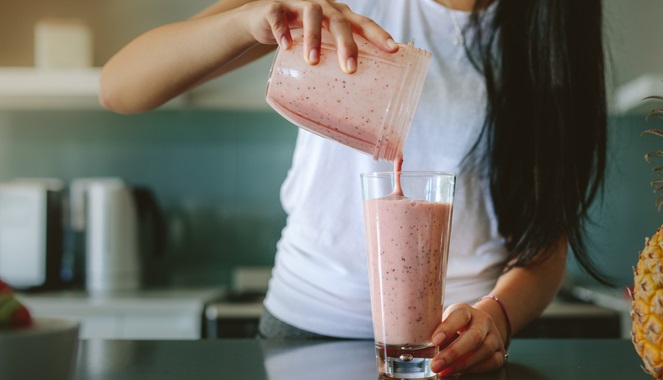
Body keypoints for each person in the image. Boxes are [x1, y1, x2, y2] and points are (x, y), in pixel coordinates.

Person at [99, 0, 608, 376]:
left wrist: (495, 317)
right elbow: (121, 86)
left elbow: (546, 249)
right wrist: (251, 20)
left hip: (454, 352)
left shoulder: (549, 27)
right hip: (303, 336)